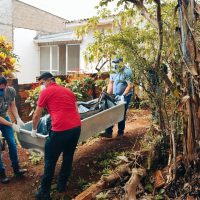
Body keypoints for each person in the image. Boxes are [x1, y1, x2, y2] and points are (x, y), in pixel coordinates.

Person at [32, 72, 81, 200]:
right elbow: (75, 109)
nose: (41, 86)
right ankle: (61, 185)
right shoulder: (68, 90)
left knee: (50, 160)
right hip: (76, 128)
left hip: (60, 130)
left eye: (41, 83)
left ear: (48, 81)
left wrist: (33, 129)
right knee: (68, 157)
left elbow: (37, 115)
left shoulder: (46, 92)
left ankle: (44, 192)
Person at [0, 76, 27, 184]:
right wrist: (11, 124)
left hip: (4, 116)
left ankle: (16, 169)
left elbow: (13, 106)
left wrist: (18, 118)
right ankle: (2, 174)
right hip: (2, 119)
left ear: (6, 86)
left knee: (12, 143)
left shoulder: (11, 91)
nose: (0, 91)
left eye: (2, 89)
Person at [105, 57, 133, 138]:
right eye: (114, 64)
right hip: (115, 95)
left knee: (121, 113)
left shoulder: (127, 71)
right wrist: (107, 94)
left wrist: (123, 96)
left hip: (125, 96)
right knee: (111, 111)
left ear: (121, 63)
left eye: (117, 64)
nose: (115, 65)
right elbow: (111, 83)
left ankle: (120, 132)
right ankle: (108, 132)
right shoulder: (113, 71)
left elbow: (130, 85)